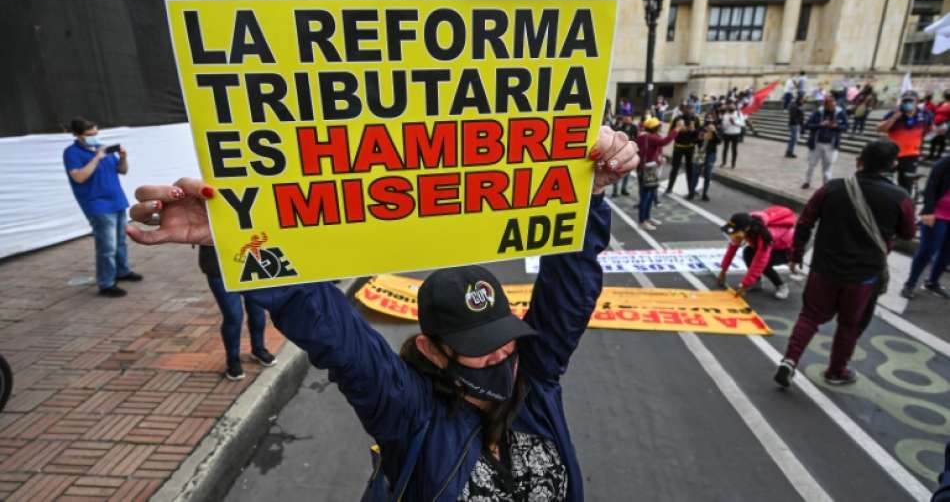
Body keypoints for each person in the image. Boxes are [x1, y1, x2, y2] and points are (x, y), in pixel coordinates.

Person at [126, 130, 636, 500]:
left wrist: (585, 195)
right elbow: (334, 330)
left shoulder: (536, 382)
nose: (504, 355)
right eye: (481, 349)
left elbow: (569, 289)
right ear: (434, 351)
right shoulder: (408, 412)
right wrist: (234, 238)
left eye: (505, 337)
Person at [775, 140, 915, 388]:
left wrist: (796, 254)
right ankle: (836, 371)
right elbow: (907, 233)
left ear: (860, 160)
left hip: (824, 268)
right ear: (893, 165)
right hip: (864, 276)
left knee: (809, 316)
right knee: (850, 324)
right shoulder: (900, 197)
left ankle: (790, 359)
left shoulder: (832, 188)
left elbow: (805, 221)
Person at [63, 117, 142, 297]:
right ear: (77, 134)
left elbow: (122, 170)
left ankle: (122, 271)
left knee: (121, 240)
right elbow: (79, 177)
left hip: (117, 200)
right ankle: (106, 283)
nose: (94, 136)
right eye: (88, 134)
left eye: (95, 132)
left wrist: (123, 158)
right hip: (97, 204)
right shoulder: (71, 153)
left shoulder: (104, 148)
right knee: (107, 245)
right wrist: (97, 158)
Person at [199, 245, 277, 380]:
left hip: (251, 263)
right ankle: (233, 359)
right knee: (234, 316)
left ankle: (258, 349)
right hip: (219, 267)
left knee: (257, 310)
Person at [718, 206, 797, 300]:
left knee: (764, 264)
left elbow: (760, 261)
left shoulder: (764, 235)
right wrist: (723, 271)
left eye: (737, 234)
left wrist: (745, 285)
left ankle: (781, 286)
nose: (735, 237)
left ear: (746, 229)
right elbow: (731, 249)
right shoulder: (745, 224)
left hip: (788, 249)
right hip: (773, 246)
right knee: (748, 252)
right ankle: (756, 282)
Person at [901, 155, 950, 299]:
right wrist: (928, 211)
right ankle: (910, 283)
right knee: (927, 250)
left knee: (947, 253)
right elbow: (931, 186)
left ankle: (932, 282)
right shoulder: (945, 163)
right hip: (937, 213)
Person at [879, 91, 934, 195]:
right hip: (891, 153)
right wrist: (895, 117)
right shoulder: (894, 113)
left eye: (910, 100)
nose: (907, 102)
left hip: (911, 155)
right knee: (883, 181)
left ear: (917, 101)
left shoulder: (925, 114)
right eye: (905, 100)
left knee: (906, 185)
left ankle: (903, 207)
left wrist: (918, 136)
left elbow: (930, 128)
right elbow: (880, 129)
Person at [636, 117, 681, 230]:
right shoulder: (651, 138)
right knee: (646, 196)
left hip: (647, 169)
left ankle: (647, 218)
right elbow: (664, 141)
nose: (661, 128)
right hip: (647, 170)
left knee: (650, 195)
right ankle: (642, 221)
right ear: (655, 128)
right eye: (659, 126)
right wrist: (676, 130)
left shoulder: (642, 136)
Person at [801, 97, 848, 190]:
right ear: (825, 105)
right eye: (830, 106)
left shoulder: (840, 113)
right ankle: (807, 181)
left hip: (831, 144)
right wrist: (820, 125)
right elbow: (807, 125)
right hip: (816, 143)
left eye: (833, 106)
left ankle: (826, 186)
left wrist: (836, 126)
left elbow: (846, 127)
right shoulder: (818, 112)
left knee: (828, 166)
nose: (832, 108)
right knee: (811, 164)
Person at [665, 103, 703, 199]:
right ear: (683, 110)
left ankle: (691, 190)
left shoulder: (696, 119)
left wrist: (693, 130)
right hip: (678, 146)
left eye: (691, 109)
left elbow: (700, 134)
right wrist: (678, 129)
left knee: (690, 169)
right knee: (675, 168)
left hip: (690, 147)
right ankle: (669, 188)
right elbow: (670, 132)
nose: (689, 111)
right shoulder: (677, 119)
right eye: (687, 109)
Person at [689, 117, 721, 201]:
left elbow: (719, 141)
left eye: (711, 120)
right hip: (700, 153)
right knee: (695, 173)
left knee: (708, 174)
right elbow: (692, 139)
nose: (710, 122)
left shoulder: (716, 129)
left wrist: (714, 131)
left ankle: (704, 194)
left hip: (711, 154)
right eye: (708, 120)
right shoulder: (700, 129)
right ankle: (691, 193)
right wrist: (698, 138)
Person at [611, 115, 638, 197]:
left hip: (629, 152)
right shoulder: (619, 127)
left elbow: (636, 138)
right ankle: (615, 191)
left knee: (627, 172)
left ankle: (624, 189)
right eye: (626, 119)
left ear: (632, 120)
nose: (627, 121)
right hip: (619, 153)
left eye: (629, 119)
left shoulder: (634, 127)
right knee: (616, 172)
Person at [928, 90, 950, 160]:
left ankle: (938, 156)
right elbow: (935, 111)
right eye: (946, 95)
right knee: (933, 140)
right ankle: (931, 155)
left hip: (944, 125)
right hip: (935, 124)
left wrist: (947, 124)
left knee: (941, 141)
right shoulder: (941, 103)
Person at [719, 104, 743, 169]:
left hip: (735, 133)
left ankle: (733, 163)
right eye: (730, 107)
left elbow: (742, 124)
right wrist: (727, 123)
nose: (731, 108)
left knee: (734, 149)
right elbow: (723, 126)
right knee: (725, 149)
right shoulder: (725, 115)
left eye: (732, 107)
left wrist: (734, 122)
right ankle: (724, 162)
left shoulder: (739, 114)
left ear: (735, 108)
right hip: (727, 133)